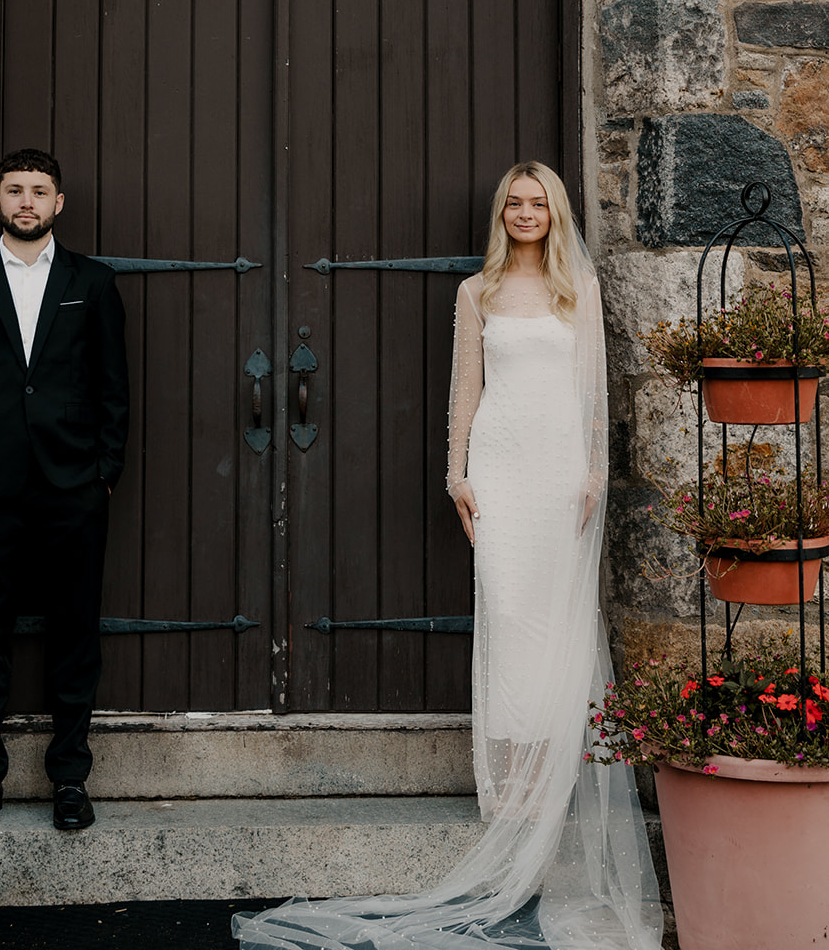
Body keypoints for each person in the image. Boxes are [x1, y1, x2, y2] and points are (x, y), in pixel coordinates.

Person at [234, 162, 662, 950]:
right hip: (499, 471)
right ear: (500, 214)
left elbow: (594, 389)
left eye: (537, 204)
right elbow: (464, 390)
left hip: (561, 474)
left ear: (553, 213)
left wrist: (595, 474)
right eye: (514, 204)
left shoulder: (579, 288)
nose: (525, 214)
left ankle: (548, 788)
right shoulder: (476, 292)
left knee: (553, 624)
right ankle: (509, 797)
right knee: (505, 616)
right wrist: (454, 472)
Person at [0, 149, 129, 835]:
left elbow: (113, 389)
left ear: (58, 203)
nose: (27, 202)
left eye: (39, 191)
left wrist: (103, 472)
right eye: (15, 190)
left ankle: (69, 779)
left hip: (72, 488)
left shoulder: (92, 283)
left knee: (75, 636)